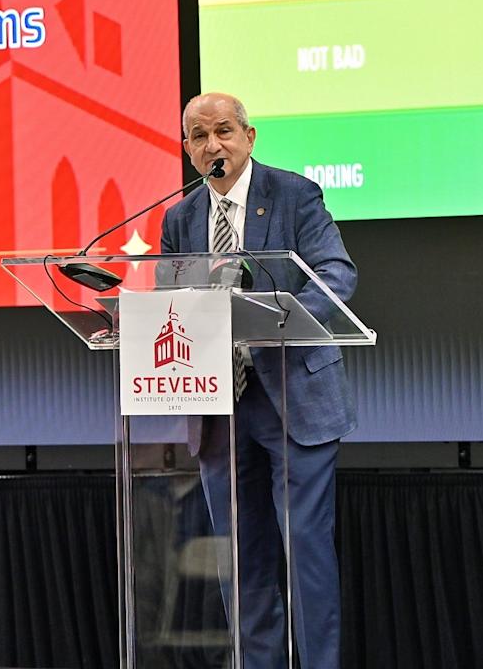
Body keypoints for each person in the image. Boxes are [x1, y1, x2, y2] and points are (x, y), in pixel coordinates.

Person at [160, 92, 357, 669]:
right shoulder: (180, 216)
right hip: (219, 402)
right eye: (199, 136)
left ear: (249, 137)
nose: (212, 145)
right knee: (240, 563)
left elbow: (336, 275)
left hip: (294, 396)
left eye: (223, 131)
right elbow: (174, 298)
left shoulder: (294, 195)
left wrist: (279, 320)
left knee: (306, 554)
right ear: (188, 148)